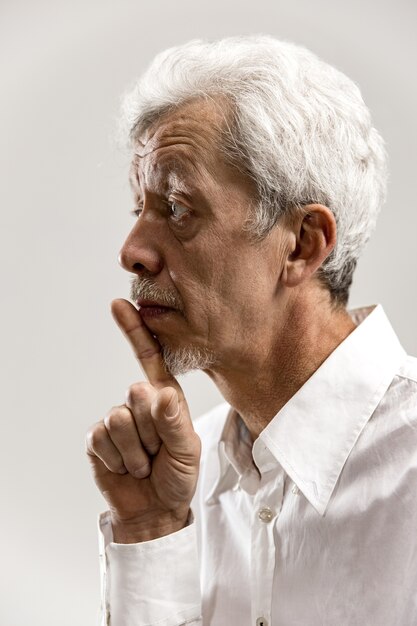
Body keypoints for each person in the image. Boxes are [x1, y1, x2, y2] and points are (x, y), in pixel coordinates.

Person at [85, 35, 417, 625]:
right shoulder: (179, 477)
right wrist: (152, 532)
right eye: (139, 208)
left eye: (179, 208)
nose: (132, 250)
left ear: (303, 244)